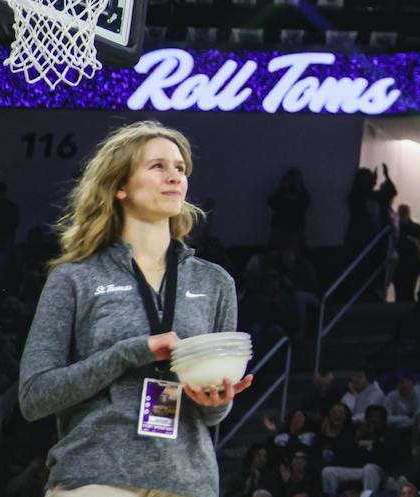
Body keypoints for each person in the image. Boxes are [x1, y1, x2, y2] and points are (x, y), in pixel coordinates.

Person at [18, 121, 253, 497]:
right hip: (96, 478)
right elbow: (34, 396)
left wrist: (216, 401)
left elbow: (210, 414)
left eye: (180, 168)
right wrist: (133, 351)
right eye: (158, 166)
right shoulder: (75, 278)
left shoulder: (214, 282)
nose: (174, 177)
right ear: (120, 187)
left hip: (189, 482)